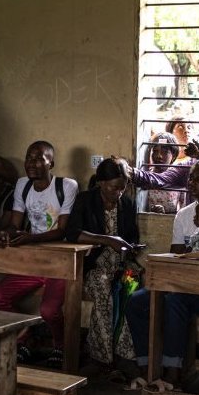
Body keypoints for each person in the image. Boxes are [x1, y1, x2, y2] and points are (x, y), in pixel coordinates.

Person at [125, 160, 199, 391]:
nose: (192, 183)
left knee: (174, 302)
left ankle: (173, 375)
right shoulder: (184, 215)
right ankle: (146, 369)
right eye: (191, 178)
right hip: (183, 282)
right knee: (136, 302)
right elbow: (176, 256)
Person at [0, 141, 79, 367]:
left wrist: (30, 238)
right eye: (29, 158)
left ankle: (60, 345)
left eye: (40, 158)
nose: (32, 163)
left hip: (59, 261)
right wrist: (6, 234)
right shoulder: (22, 185)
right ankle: (25, 338)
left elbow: (62, 230)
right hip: (33, 260)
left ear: (52, 163)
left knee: (48, 310)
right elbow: (15, 224)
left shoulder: (67, 186)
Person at [65, 157, 140, 368]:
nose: (119, 193)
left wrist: (131, 247)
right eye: (115, 188)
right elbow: (73, 233)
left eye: (122, 188)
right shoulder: (85, 200)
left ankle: (124, 353)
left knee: (132, 291)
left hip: (122, 265)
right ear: (101, 183)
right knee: (102, 288)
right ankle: (101, 355)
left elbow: (133, 236)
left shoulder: (127, 203)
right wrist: (107, 240)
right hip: (94, 266)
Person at [142, 132, 184, 214]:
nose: (159, 156)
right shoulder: (146, 176)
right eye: (155, 151)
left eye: (164, 152)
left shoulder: (178, 179)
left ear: (174, 156)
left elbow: (183, 212)